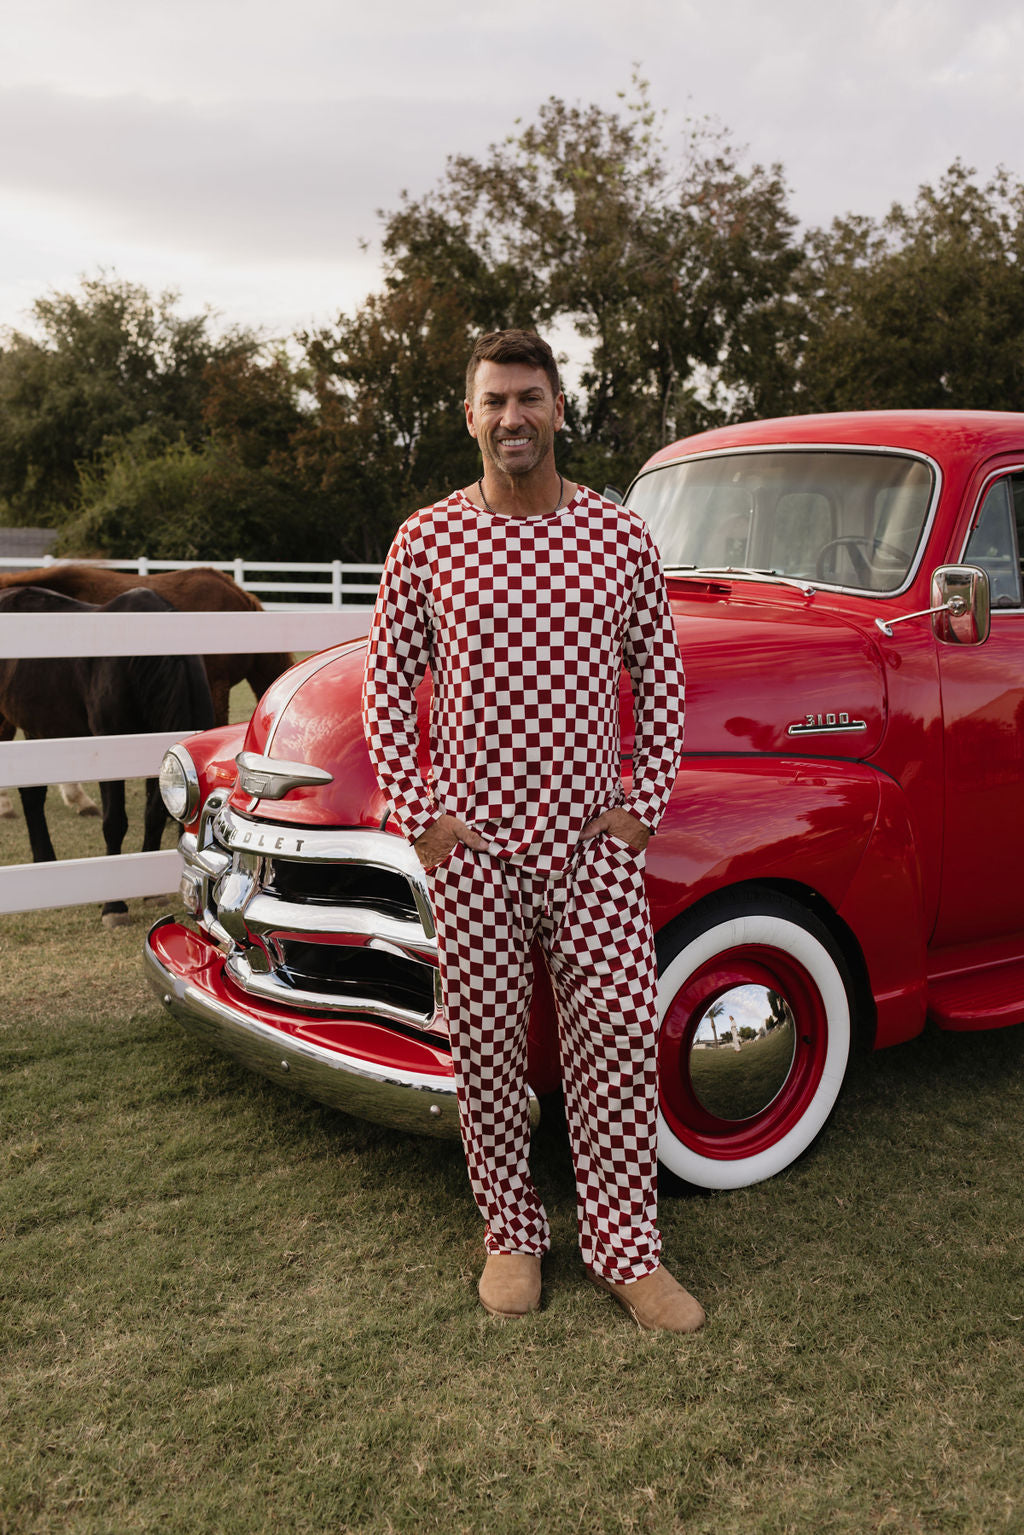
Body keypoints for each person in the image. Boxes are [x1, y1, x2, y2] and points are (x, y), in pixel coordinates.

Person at [361, 329, 704, 1333]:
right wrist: (422, 822)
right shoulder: (426, 539)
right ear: (469, 417)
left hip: (591, 849)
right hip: (474, 853)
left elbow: (663, 674)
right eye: (493, 400)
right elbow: (387, 685)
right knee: (489, 1057)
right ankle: (510, 1235)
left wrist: (639, 808)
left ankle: (625, 1249)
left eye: (528, 397)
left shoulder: (616, 535)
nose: (512, 416)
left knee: (614, 1046)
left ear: (559, 408)